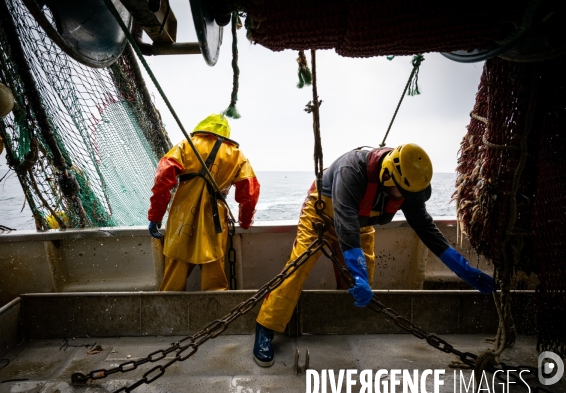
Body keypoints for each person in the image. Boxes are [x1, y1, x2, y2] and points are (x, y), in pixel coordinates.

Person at [252, 143, 494, 367]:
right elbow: (345, 222)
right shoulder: (351, 169)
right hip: (321, 217)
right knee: (298, 267)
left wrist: (464, 270)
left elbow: (428, 230)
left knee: (365, 273)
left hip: (359, 223)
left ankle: (342, 324)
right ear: (387, 175)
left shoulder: (407, 186)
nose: (406, 201)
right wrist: (357, 275)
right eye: (403, 195)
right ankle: (266, 326)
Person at [147, 114, 260, 291]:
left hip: (181, 221)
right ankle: (216, 315)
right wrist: (245, 221)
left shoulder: (186, 145)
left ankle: (168, 315)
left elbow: (162, 179)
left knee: (174, 277)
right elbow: (250, 192)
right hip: (213, 225)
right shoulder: (237, 155)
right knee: (214, 278)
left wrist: (155, 216)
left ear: (203, 126)